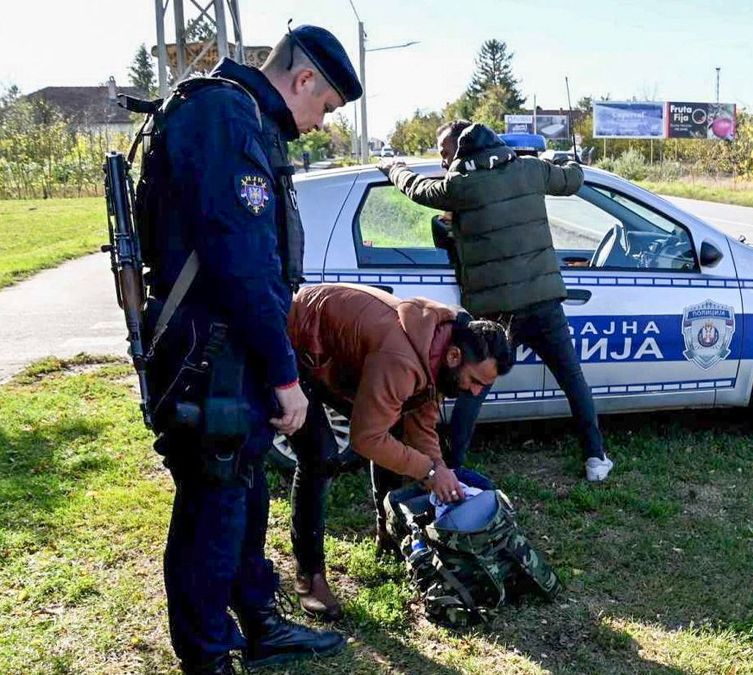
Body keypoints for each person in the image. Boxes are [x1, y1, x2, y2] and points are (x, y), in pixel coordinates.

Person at [140, 24, 361, 674]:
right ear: (302, 81)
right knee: (213, 509)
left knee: (242, 492)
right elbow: (243, 265)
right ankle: (208, 655)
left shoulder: (235, 114)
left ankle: (258, 621)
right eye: (324, 107)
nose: (321, 123)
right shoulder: (228, 117)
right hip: (212, 355)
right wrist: (286, 372)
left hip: (223, 354)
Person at [379, 122, 615, 482]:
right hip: (544, 301)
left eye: (447, 156)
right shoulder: (531, 170)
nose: (444, 163)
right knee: (572, 379)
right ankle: (595, 457)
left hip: (495, 314)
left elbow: (416, 188)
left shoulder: (459, 187)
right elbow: (572, 180)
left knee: (474, 389)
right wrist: (569, 161)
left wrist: (392, 167)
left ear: (461, 155)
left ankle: (453, 466)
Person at [286, 284, 513, 620]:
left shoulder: (440, 345)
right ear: (455, 357)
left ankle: (388, 535)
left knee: (394, 430)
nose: (476, 391)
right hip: (297, 348)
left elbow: (420, 422)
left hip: (339, 356)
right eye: (476, 380)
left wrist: (438, 465)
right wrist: (430, 472)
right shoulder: (402, 358)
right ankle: (310, 575)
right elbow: (366, 439)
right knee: (320, 457)